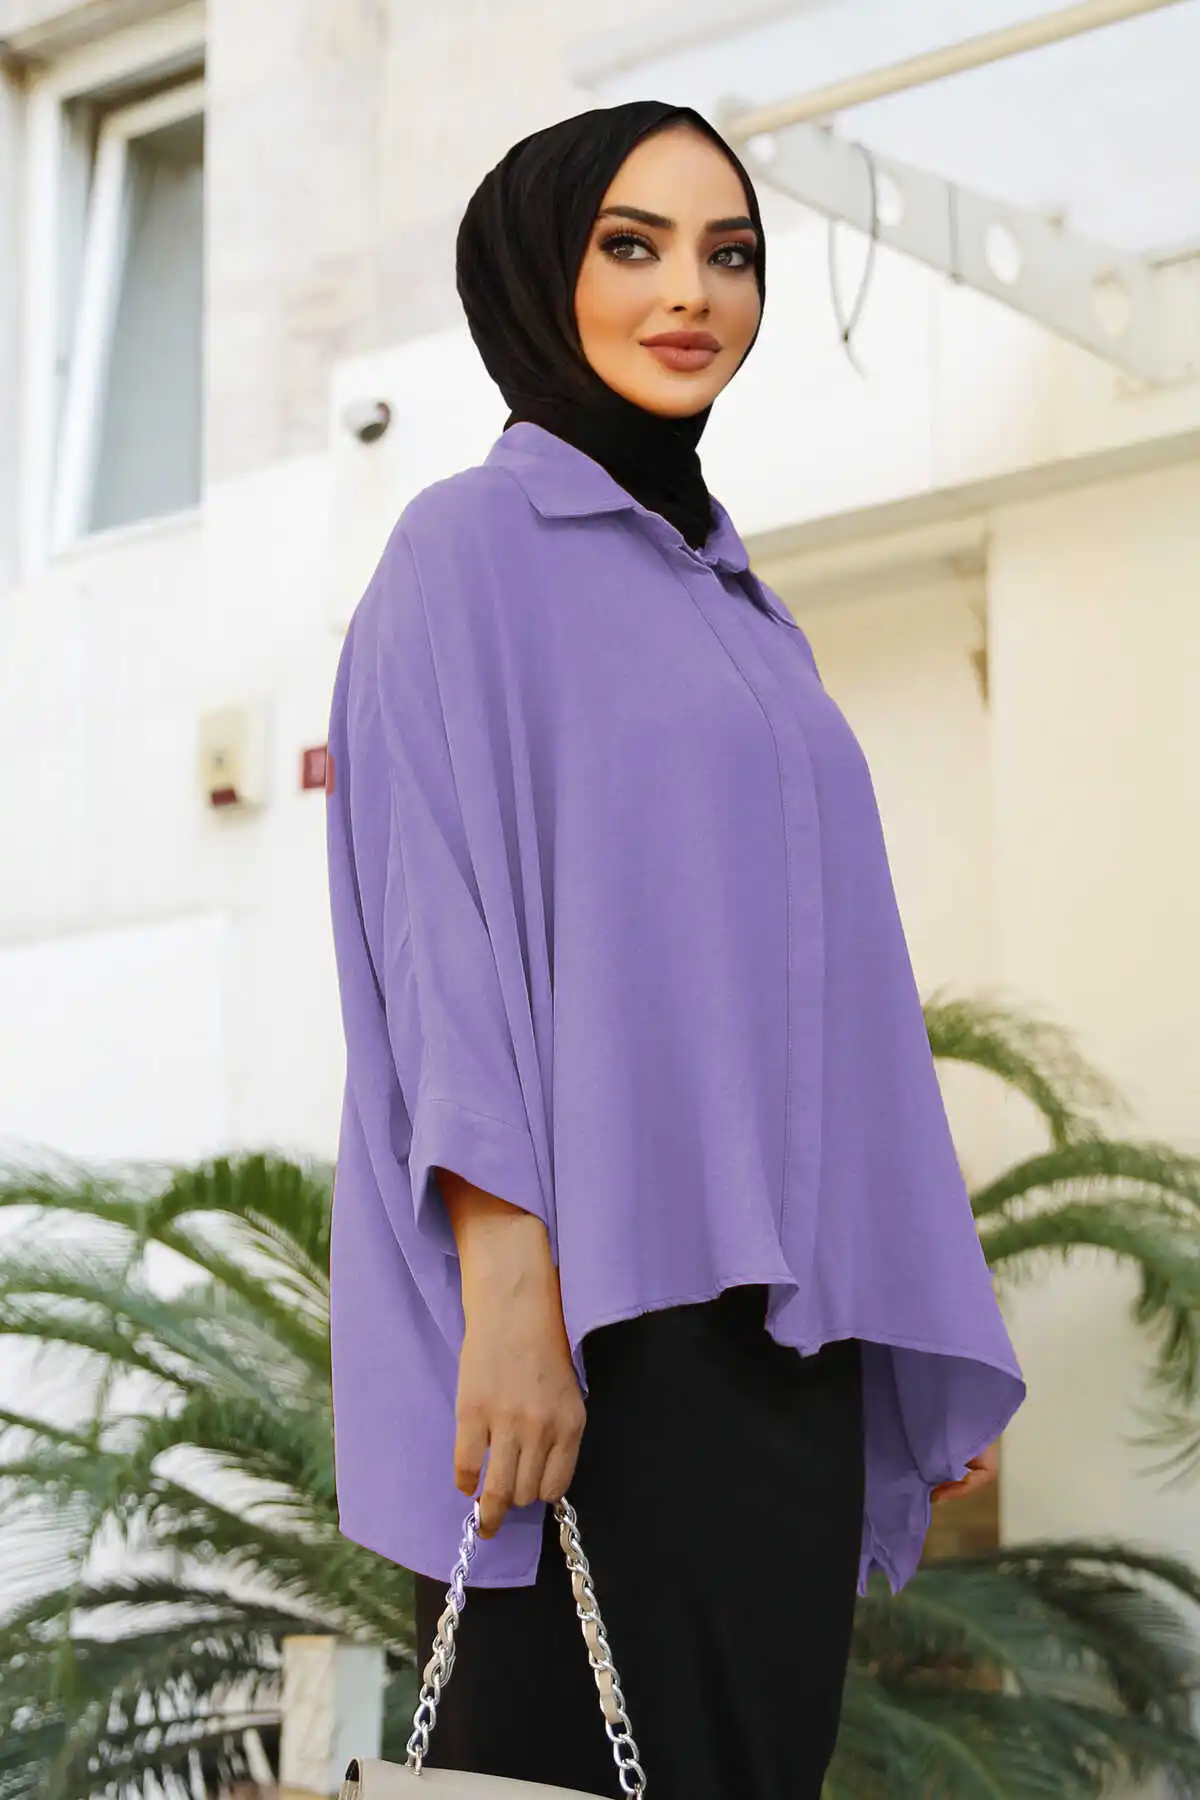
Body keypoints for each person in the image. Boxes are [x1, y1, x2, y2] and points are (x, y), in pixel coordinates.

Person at [324, 99, 1026, 1800]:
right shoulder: (466, 554)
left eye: (730, 254)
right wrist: (509, 1297)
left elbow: (836, 983)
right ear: (536, 271)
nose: (689, 292)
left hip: (786, 1358)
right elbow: (438, 943)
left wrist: (907, 1306)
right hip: (587, 1340)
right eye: (631, 246)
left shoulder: (743, 609)